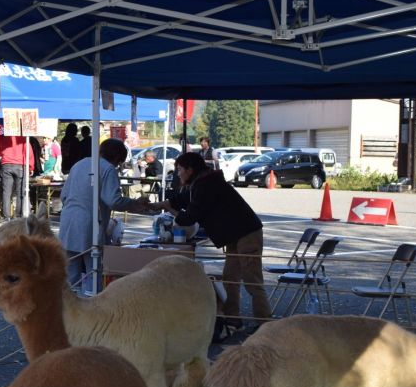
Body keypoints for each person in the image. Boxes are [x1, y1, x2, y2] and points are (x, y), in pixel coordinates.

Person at [155, 152, 271, 330]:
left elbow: (189, 218)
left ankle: (265, 324)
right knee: (230, 278)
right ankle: (233, 318)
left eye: (179, 170)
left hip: (247, 233)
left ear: (190, 169)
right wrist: (161, 204)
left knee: (252, 281)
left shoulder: (205, 184)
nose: (178, 174)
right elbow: (184, 199)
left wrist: (169, 208)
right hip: (234, 234)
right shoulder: (202, 182)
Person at [58, 139, 150, 290]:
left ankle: (69, 310)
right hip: (90, 224)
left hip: (68, 221)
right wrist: (134, 203)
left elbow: (64, 195)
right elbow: (113, 200)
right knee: (93, 274)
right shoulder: (108, 169)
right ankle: (92, 308)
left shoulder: (80, 164)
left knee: (70, 277)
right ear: (117, 158)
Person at [0, 125, 34, 220]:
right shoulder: (23, 136)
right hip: (21, 165)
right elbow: (28, 151)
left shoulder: (3, 135)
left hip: (6, 164)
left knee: (6, 192)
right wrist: (31, 166)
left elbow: (0, 148)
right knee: (20, 192)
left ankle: (6, 216)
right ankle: (18, 216)